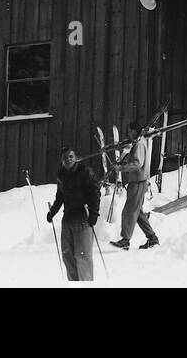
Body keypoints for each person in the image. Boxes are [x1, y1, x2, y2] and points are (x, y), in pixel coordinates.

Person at [46, 147, 101, 281]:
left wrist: (94, 212)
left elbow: (95, 192)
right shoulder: (61, 175)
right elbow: (60, 196)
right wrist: (53, 211)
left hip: (82, 217)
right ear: (61, 160)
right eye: (65, 157)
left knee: (83, 256)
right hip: (68, 218)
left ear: (76, 158)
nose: (68, 159)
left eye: (71, 156)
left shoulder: (85, 172)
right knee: (68, 257)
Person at [111, 120, 159, 250]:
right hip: (137, 181)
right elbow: (134, 160)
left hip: (138, 181)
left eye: (129, 131)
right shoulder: (137, 143)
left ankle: (125, 240)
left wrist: (121, 168)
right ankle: (152, 238)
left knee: (129, 211)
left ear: (134, 131)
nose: (128, 134)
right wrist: (122, 162)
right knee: (137, 213)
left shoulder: (139, 143)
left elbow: (137, 163)